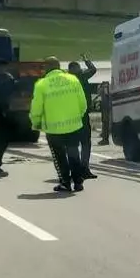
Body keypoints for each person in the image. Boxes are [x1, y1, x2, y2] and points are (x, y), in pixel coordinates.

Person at [31, 56, 89, 193]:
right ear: (58, 66)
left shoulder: (42, 84)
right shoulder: (73, 80)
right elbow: (83, 103)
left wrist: (36, 122)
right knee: (74, 154)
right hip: (73, 126)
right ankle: (78, 182)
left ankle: (65, 182)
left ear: (47, 68)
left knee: (59, 157)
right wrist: (78, 117)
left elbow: (37, 107)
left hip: (54, 128)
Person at [68, 56, 99, 180]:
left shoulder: (67, 80)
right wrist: (87, 60)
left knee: (73, 144)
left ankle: (76, 169)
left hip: (71, 115)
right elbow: (93, 69)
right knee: (85, 143)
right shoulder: (81, 76)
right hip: (82, 114)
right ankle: (84, 168)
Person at [97, 81, 112, 145]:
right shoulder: (105, 86)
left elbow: (106, 95)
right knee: (105, 122)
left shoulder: (105, 87)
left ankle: (105, 139)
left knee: (105, 122)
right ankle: (104, 137)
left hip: (106, 107)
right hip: (106, 106)